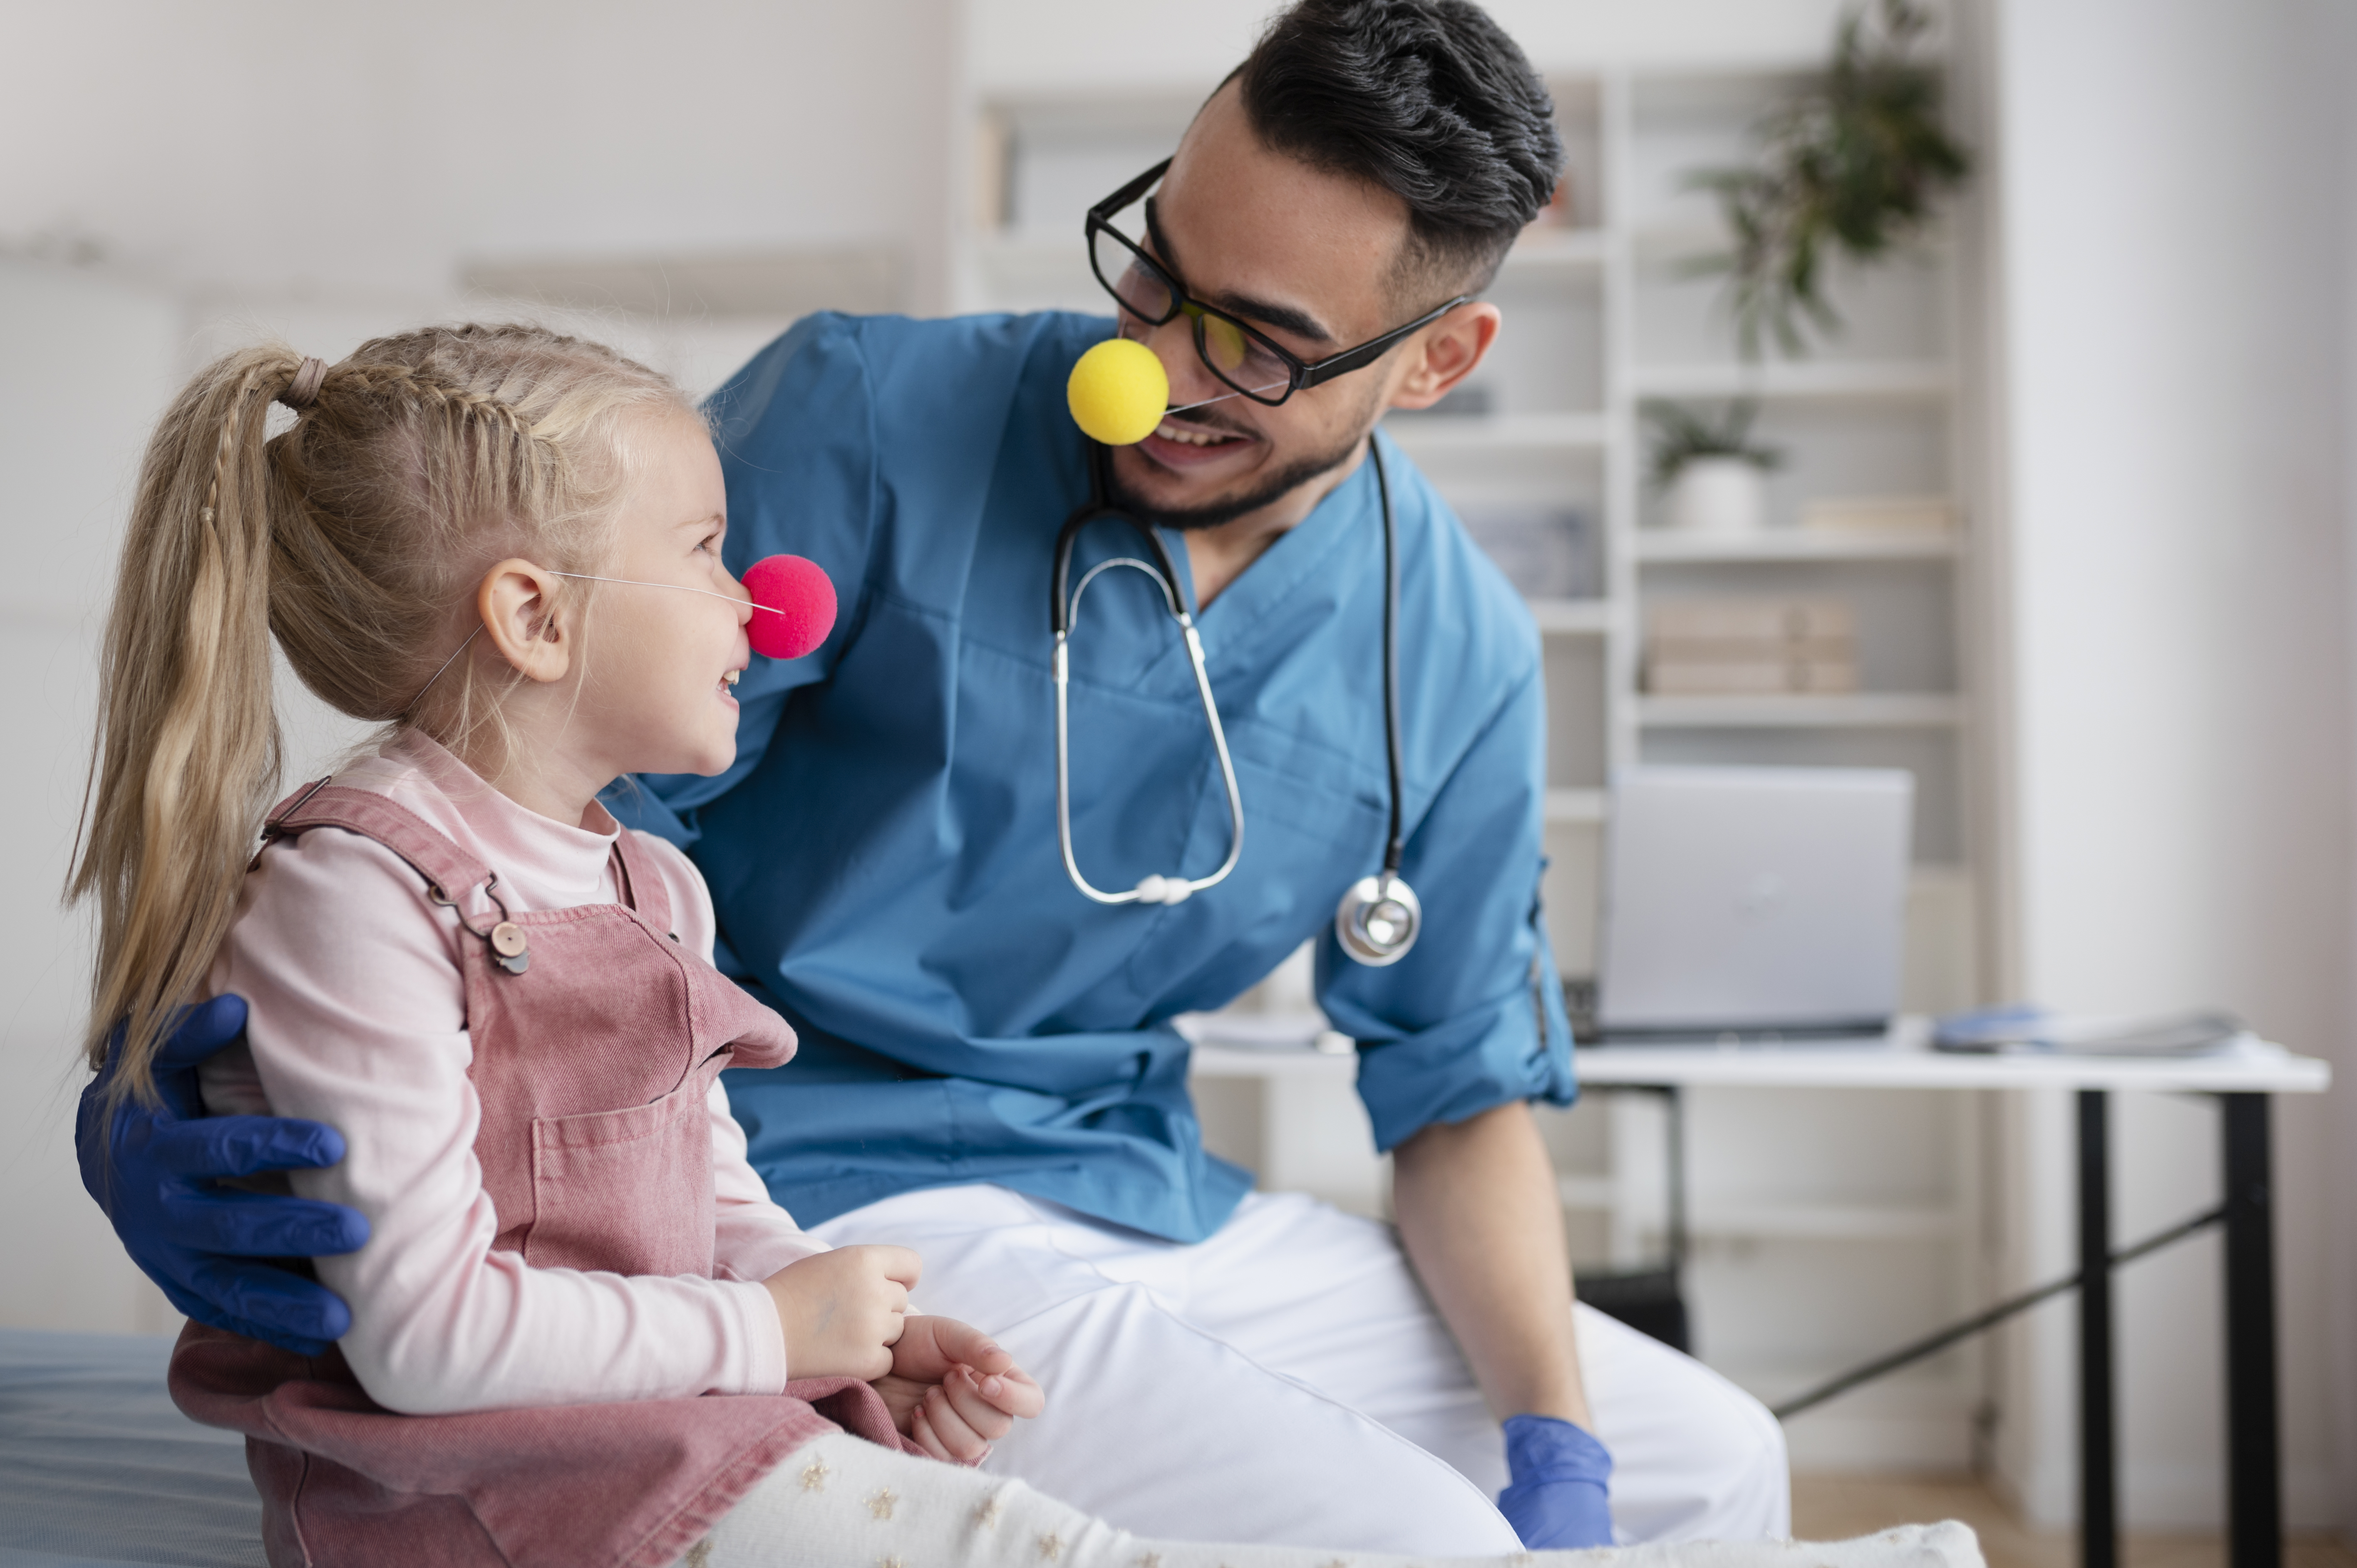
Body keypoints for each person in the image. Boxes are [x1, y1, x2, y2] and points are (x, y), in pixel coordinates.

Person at [83, 0, 1789, 1552]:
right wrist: (202, 1083)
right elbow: (518, 791)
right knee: (1420, 1538)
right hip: (818, 1172)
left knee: (1714, 1466)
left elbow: (1456, 1087)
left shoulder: (1459, 648)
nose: (1158, 367)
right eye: (1155, 268)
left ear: (1435, 362)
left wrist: (1555, 1438)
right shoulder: (866, 419)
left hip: (1144, 1187)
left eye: (1257, 343)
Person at [69, 326, 1046, 1565]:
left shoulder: (655, 885)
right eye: (706, 550)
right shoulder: (356, 899)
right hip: (456, 1501)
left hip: (649, 1441)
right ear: (534, 616)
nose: (765, 599)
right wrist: (766, 1333)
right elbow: (428, 1339)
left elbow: (711, 1197)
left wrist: (843, 1326)